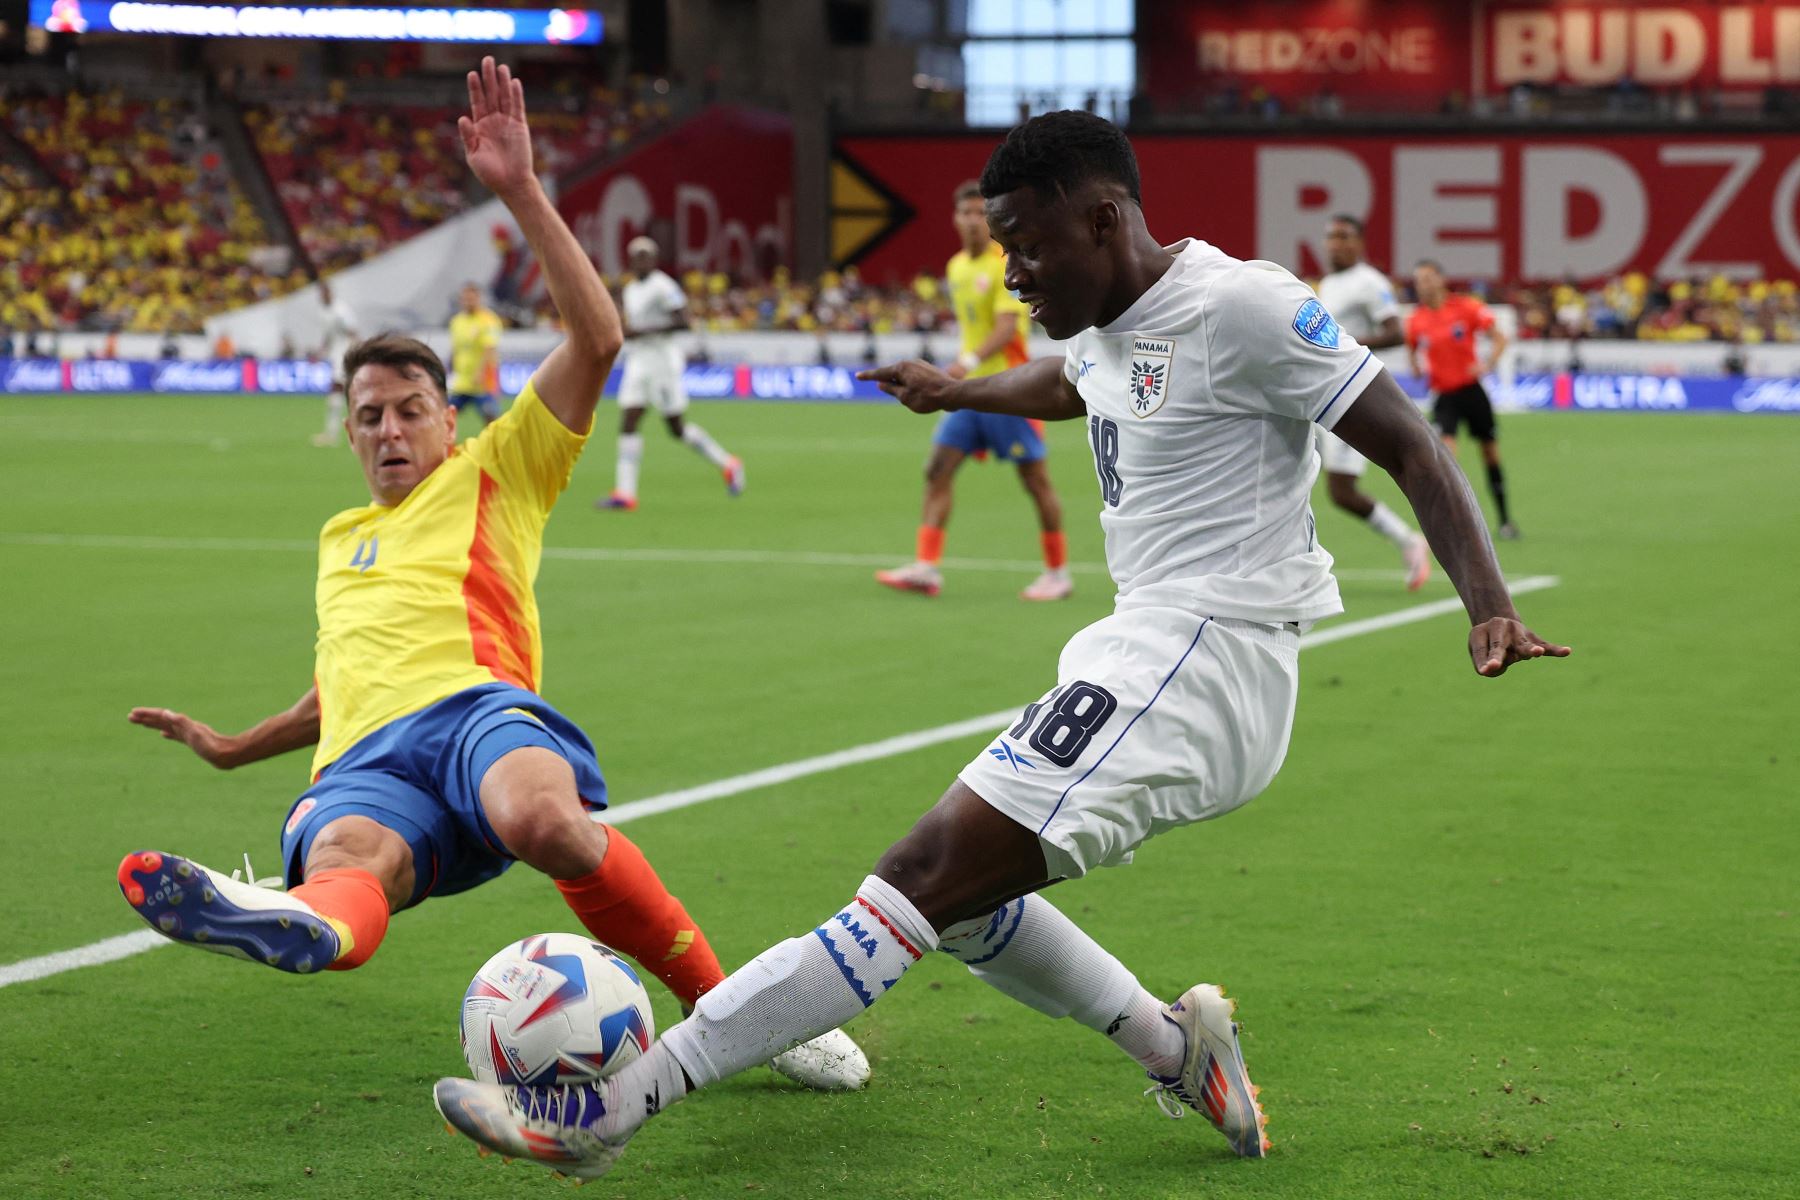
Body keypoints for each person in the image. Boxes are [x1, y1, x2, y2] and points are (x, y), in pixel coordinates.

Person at [433, 111, 1568, 1179]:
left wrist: (1488, 603)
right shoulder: (1107, 326)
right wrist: (957, 388)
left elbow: (1413, 442)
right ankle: (1180, 1052)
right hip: (1143, 649)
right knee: (969, 900)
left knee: (919, 875)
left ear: (1106, 220)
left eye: (1027, 246)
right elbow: (1080, 385)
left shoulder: (1248, 308)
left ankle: (612, 1109)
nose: (1011, 272)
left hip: (1206, 661)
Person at [118, 58, 862, 1094]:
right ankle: (298, 921)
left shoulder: (501, 468)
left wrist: (518, 189)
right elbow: (345, 680)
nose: (388, 429)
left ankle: (740, 1012)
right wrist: (235, 746)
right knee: (348, 861)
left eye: (408, 408)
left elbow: (598, 338)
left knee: (544, 821)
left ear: (448, 417)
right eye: (368, 415)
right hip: (363, 759)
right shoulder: (339, 539)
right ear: (348, 432)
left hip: (475, 714)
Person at [875, 180, 1072, 602]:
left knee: (1035, 481)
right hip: (966, 393)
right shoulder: (956, 268)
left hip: (1010, 390)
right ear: (954, 219)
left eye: (978, 213)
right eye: (964, 213)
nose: (971, 221)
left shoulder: (1006, 263)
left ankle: (1057, 573)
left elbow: (1005, 328)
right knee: (937, 470)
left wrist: (964, 364)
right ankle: (926, 567)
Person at [1315, 216, 1431, 589]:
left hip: (1346, 397)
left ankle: (1409, 540)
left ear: (1360, 243)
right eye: (1331, 237)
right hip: (1316, 397)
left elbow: (1395, 332)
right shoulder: (1329, 284)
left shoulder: (1370, 283)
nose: (1335, 244)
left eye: (1343, 237)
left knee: (1342, 491)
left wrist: (1344, 343)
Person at [596, 236, 743, 510]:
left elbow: (682, 321)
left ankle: (728, 463)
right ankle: (625, 494)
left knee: (676, 428)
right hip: (639, 361)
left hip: (662, 362)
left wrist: (642, 332)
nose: (641, 261)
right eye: (637, 256)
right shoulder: (631, 290)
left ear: (654, 259)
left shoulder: (664, 286)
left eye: (646, 256)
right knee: (628, 420)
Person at [1406, 261, 1517, 539]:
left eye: (1429, 278)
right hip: (1444, 397)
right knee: (1445, 458)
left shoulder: (1466, 308)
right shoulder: (1416, 319)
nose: (1424, 284)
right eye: (1419, 280)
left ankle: (1505, 520)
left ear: (1441, 280)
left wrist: (1488, 362)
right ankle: (1454, 524)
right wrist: (1416, 367)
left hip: (1472, 392)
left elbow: (1500, 337)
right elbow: (1412, 346)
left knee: (1490, 453)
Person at [310, 280, 361, 448]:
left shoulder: (341, 310)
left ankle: (332, 434)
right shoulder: (323, 312)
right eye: (321, 293)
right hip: (335, 354)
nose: (323, 296)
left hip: (345, 352)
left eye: (325, 292)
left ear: (330, 293)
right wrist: (319, 352)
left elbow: (353, 332)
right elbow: (328, 336)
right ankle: (336, 433)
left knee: (338, 388)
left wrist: (357, 353)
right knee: (343, 390)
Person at [447, 281, 504, 426]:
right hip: (462, 381)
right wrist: (449, 367)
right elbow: (456, 348)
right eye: (465, 298)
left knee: (491, 420)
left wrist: (480, 372)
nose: (468, 301)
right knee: (445, 415)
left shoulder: (488, 320)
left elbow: (490, 349)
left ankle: (496, 447)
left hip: (483, 382)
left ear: (479, 298)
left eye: (471, 298)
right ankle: (445, 446)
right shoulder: (457, 321)